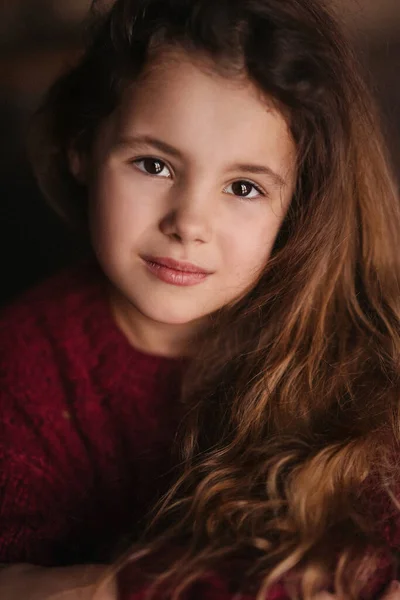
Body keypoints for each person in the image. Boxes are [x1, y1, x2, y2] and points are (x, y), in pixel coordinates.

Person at [0, 0, 400, 598]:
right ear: (83, 151)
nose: (190, 222)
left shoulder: (355, 352)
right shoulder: (20, 364)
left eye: (243, 187)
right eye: (154, 164)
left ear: (298, 205)